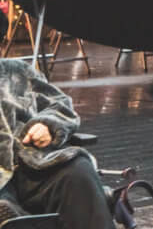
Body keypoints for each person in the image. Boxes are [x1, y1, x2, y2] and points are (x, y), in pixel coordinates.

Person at [0, 58, 114, 228]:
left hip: (31, 160)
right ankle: (13, 215)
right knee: (6, 207)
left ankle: (18, 219)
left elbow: (60, 102)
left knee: (77, 171)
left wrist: (46, 123)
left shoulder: (16, 71)